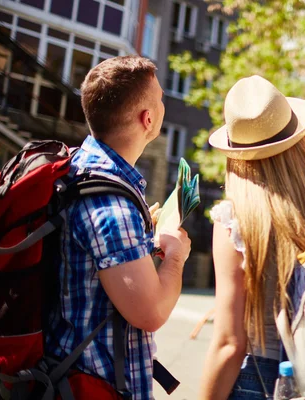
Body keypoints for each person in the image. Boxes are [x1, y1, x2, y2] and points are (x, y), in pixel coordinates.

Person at [199, 66, 305, 399]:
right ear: (299, 142)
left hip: (259, 382)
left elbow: (230, 345)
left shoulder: (233, 219)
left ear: (237, 156)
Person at [45, 56, 192, 399]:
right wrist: (174, 255)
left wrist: (143, 237)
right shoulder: (112, 206)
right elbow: (151, 312)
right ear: (148, 119)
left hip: (65, 370)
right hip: (97, 385)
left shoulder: (77, 166)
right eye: (160, 98)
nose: (163, 105)